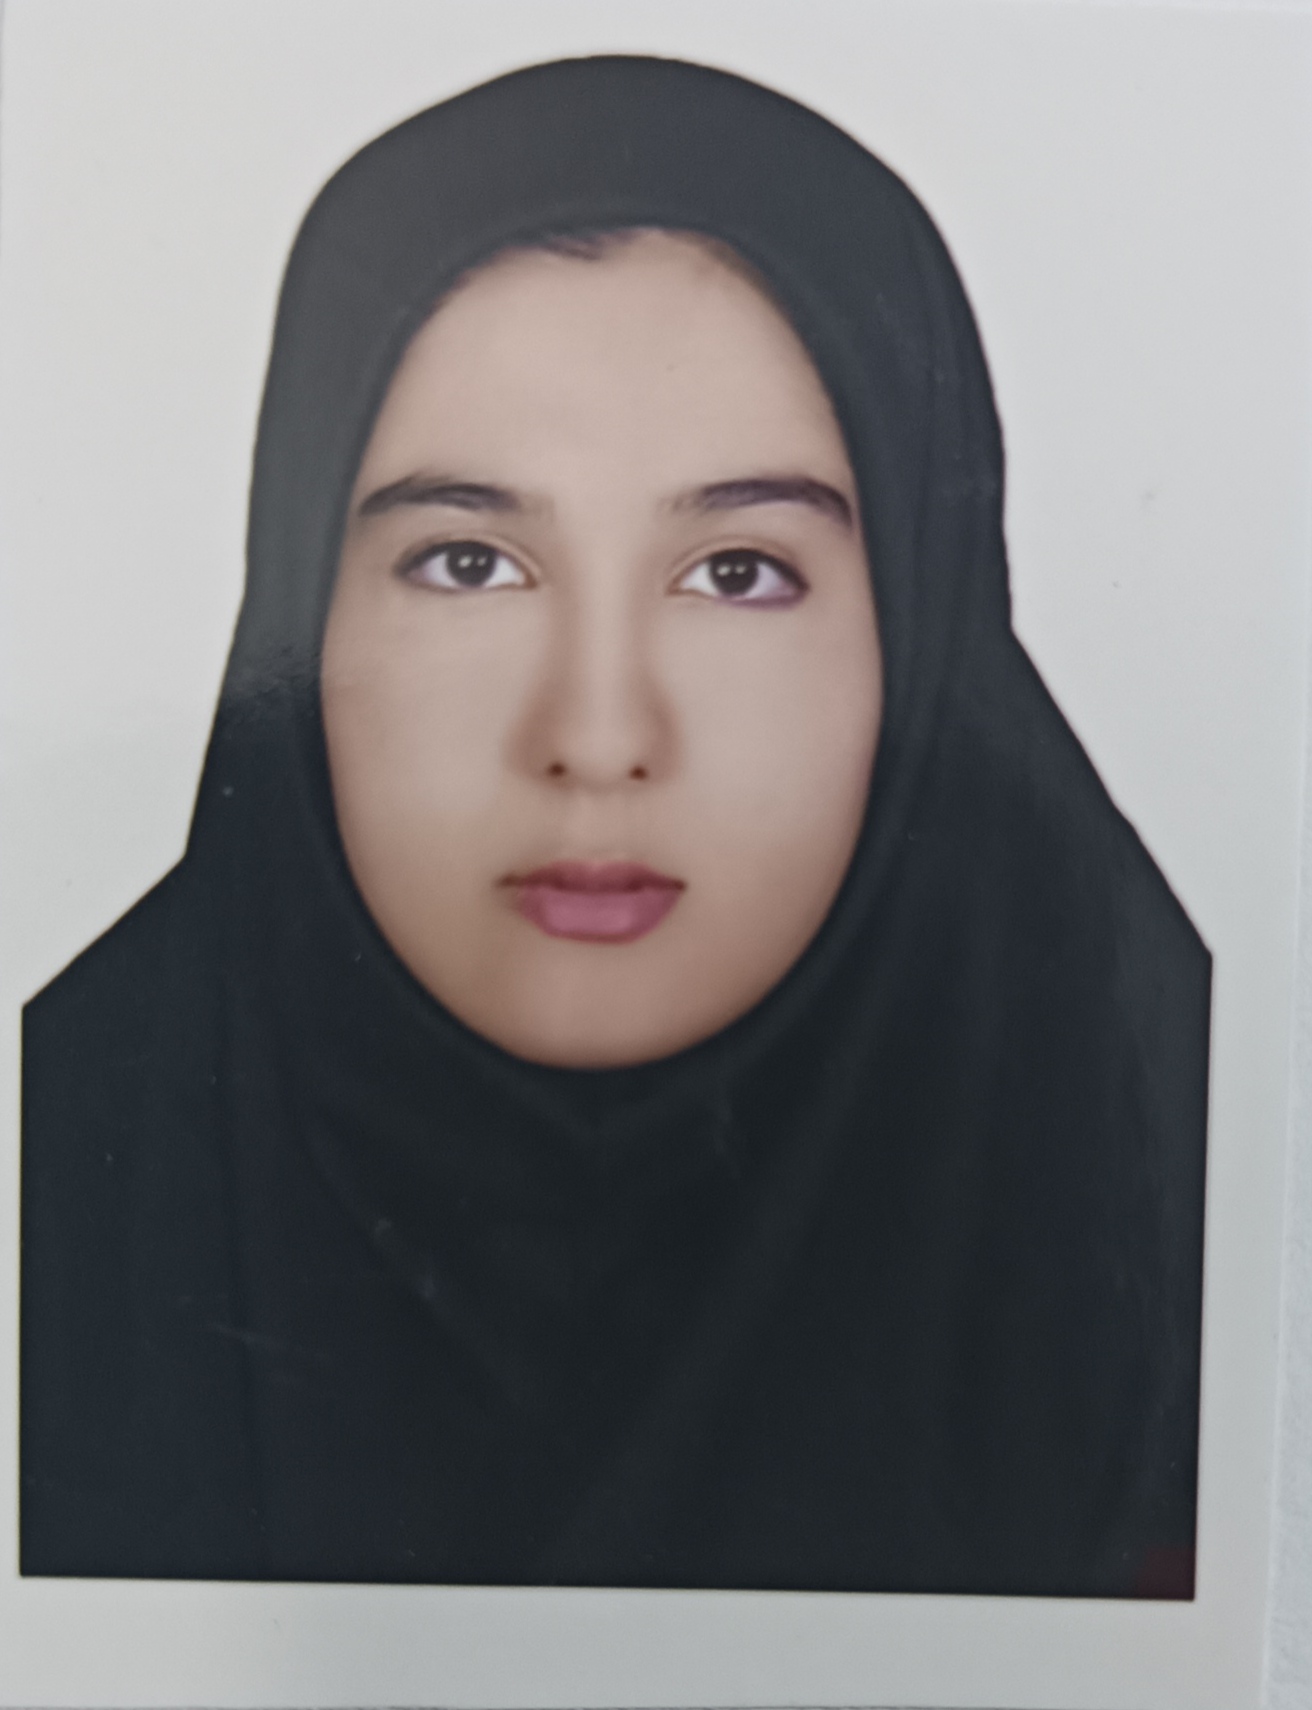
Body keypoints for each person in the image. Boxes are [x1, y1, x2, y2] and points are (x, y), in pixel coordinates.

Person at [20, 55, 1209, 1595]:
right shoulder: (45, 1176)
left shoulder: (1201, 1210)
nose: (595, 734)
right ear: (300, 606)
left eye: (736, 573)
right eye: (468, 563)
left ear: (919, 631)